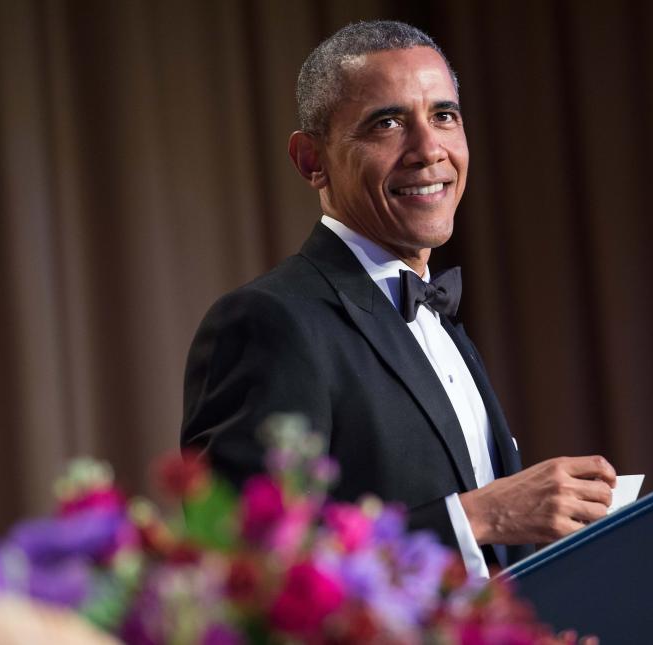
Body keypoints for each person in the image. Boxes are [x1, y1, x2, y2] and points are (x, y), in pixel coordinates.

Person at [181, 20, 616, 577]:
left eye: (444, 116)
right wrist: (477, 515)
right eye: (387, 123)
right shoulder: (269, 320)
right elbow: (241, 561)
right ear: (311, 160)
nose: (429, 149)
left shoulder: (439, 317)